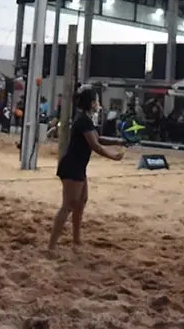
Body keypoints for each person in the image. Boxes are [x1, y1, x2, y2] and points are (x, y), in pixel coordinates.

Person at [49, 88, 125, 252]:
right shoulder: (83, 120)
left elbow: (98, 138)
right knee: (68, 206)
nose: (98, 104)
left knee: (80, 203)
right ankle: (51, 246)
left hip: (78, 167)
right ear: (91, 103)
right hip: (72, 167)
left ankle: (76, 242)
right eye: (96, 100)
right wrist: (114, 156)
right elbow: (95, 145)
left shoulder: (86, 120)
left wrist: (118, 141)